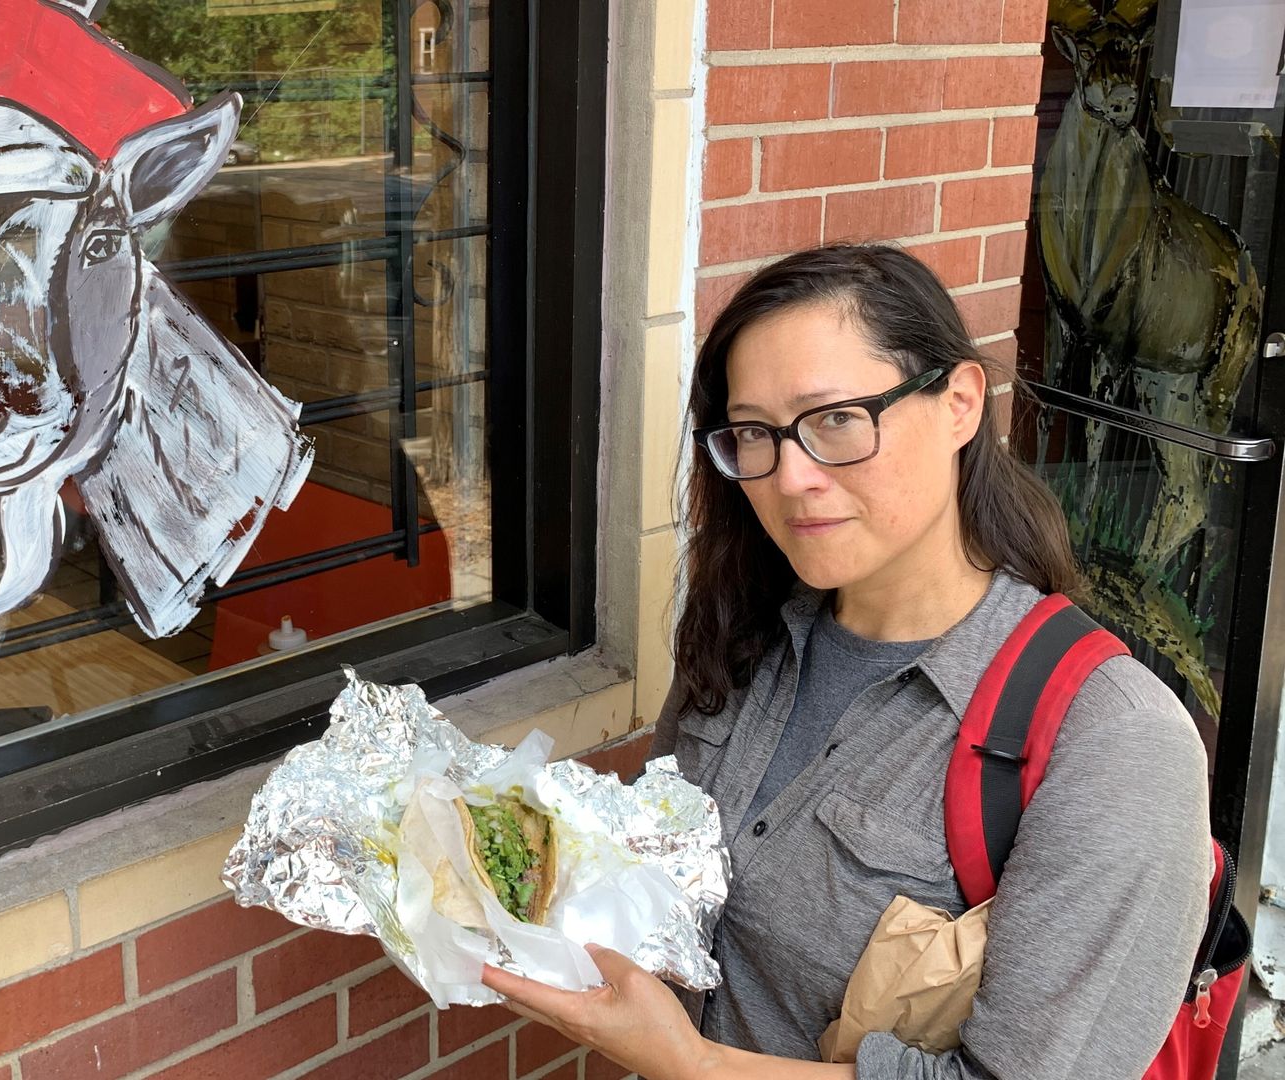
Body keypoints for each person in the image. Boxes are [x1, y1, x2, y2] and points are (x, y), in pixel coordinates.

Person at [484, 244, 1211, 1079]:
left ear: (960, 403)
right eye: (754, 433)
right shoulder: (742, 635)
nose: (791, 478)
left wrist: (695, 1065)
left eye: (835, 420)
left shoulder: (1113, 741)